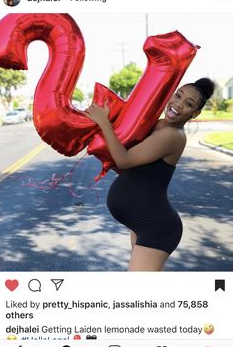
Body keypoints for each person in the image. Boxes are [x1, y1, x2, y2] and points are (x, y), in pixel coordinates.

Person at [85, 78, 215, 271]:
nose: (178, 104)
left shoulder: (173, 136)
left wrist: (104, 122)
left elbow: (124, 160)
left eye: (188, 104)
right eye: (178, 95)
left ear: (194, 113)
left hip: (156, 228)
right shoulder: (160, 125)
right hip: (142, 222)